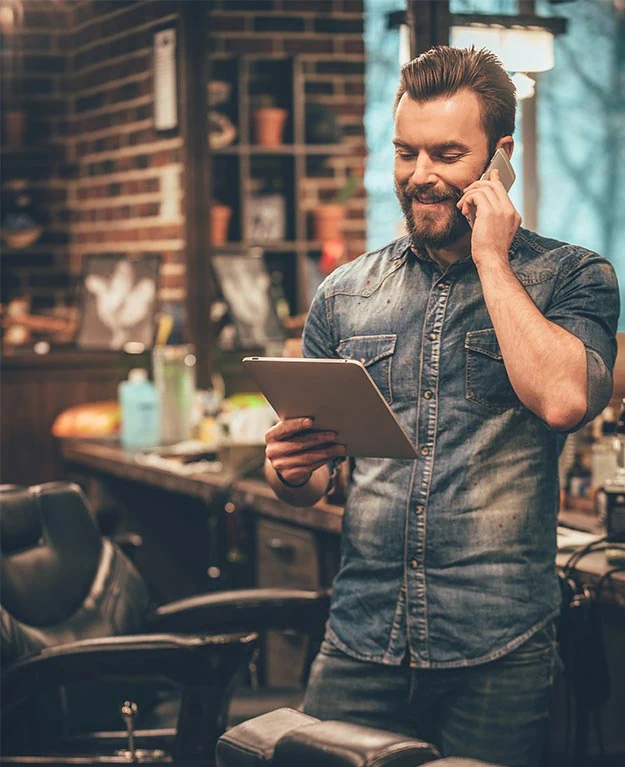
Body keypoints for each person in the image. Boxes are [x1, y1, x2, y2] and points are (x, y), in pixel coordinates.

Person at [263, 46, 619, 766]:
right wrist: (288, 471)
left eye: (446, 154)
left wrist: (491, 256)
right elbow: (315, 484)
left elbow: (560, 398)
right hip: (361, 637)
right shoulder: (343, 294)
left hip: (498, 649)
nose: (419, 175)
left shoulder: (573, 277)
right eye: (405, 153)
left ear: (499, 156)